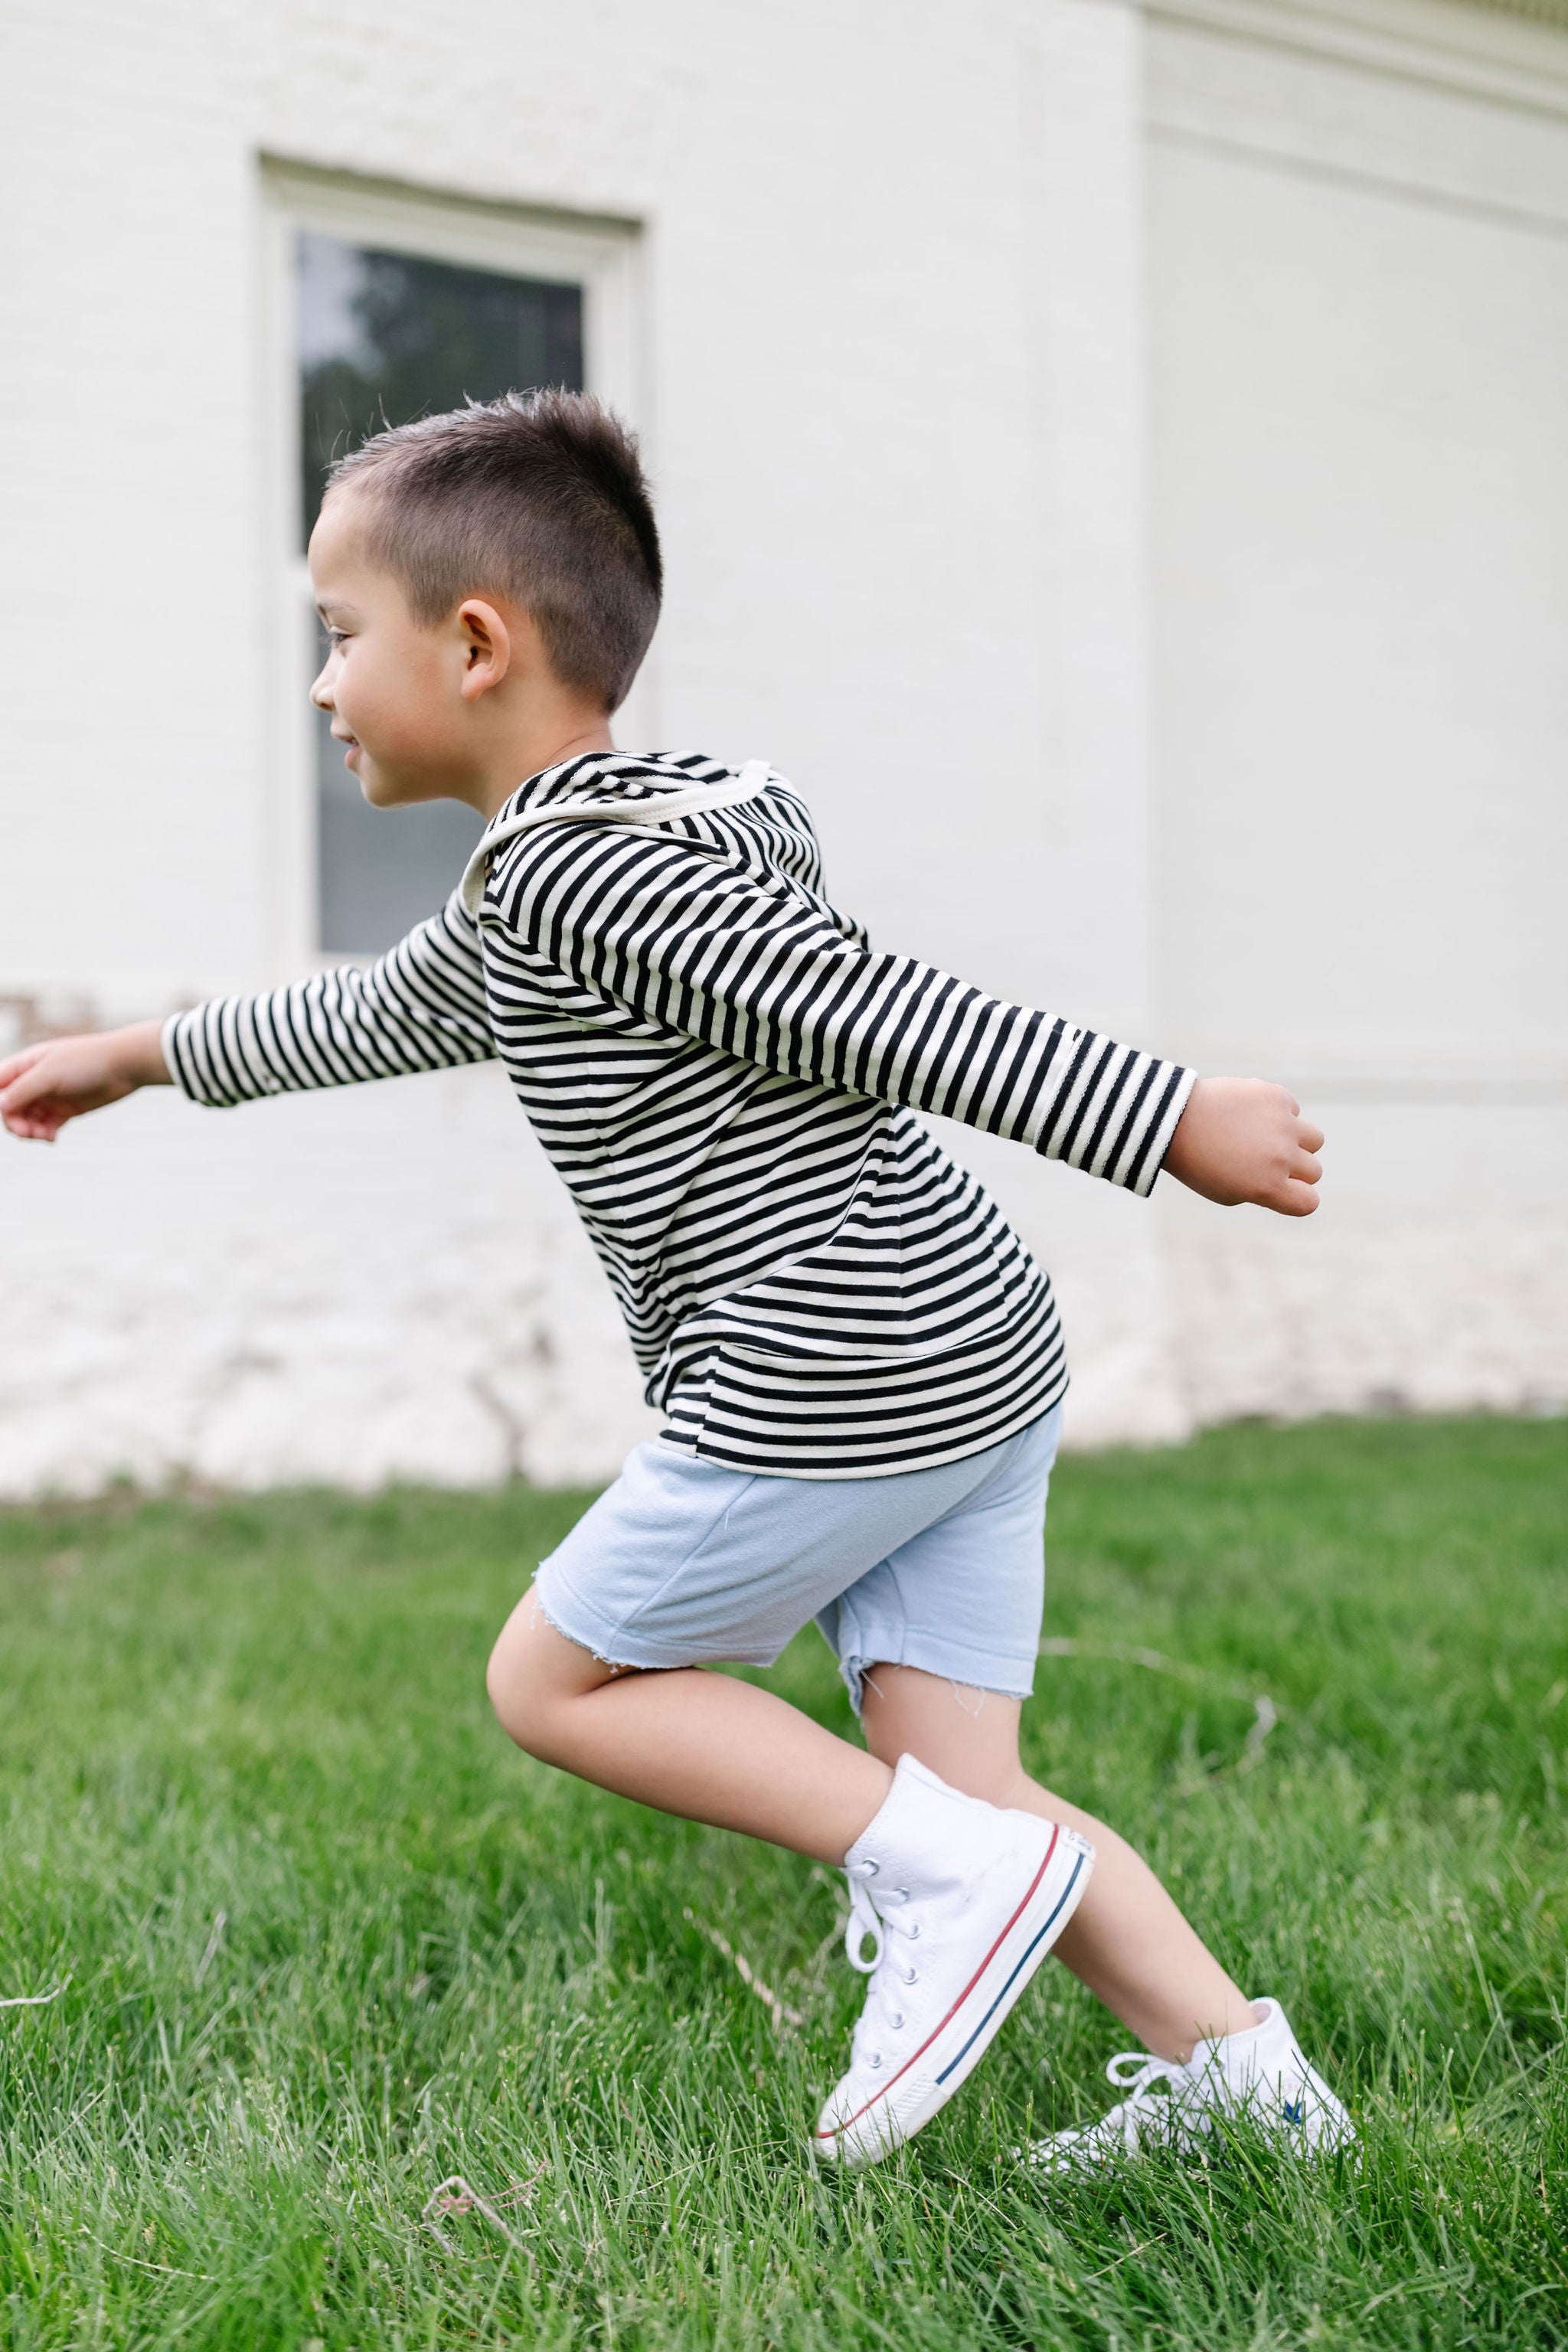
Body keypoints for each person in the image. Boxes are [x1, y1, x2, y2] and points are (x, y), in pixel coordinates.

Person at [0, 389, 1351, 2170]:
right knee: (973, 1780)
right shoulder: (621, 847)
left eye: (339, 640)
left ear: (473, 646)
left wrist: (1161, 1110)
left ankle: (950, 1880)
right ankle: (1248, 2100)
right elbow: (375, 1010)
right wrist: (138, 1054)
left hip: (830, 1368)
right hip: (968, 1355)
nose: (322, 688)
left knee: (558, 1681)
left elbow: (875, 1013)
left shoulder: (588, 875)